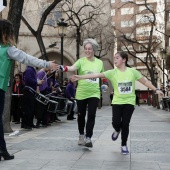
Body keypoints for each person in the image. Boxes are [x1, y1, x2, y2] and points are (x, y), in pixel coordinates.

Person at [71, 51, 164, 154]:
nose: (115, 60)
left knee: (125, 124)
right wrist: (80, 77)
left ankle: (124, 145)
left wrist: (156, 89)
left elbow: (145, 82)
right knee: (116, 123)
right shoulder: (112, 72)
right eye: (114, 58)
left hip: (129, 102)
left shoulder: (132, 72)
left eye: (117, 58)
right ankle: (117, 129)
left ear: (124, 60)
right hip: (117, 102)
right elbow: (97, 74)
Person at [0, 19, 57, 161]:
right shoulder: (8, 49)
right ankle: (2, 150)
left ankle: (2, 149)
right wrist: (46, 63)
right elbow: (26, 59)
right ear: (8, 33)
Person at [58, 38, 106, 148]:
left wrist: (105, 84)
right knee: (81, 115)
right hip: (81, 93)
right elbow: (72, 67)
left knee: (92, 115)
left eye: (89, 49)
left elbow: (103, 75)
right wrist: (63, 68)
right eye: (86, 49)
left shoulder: (99, 62)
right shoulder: (81, 61)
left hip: (94, 93)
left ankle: (88, 137)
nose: (87, 51)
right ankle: (81, 134)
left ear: (93, 50)